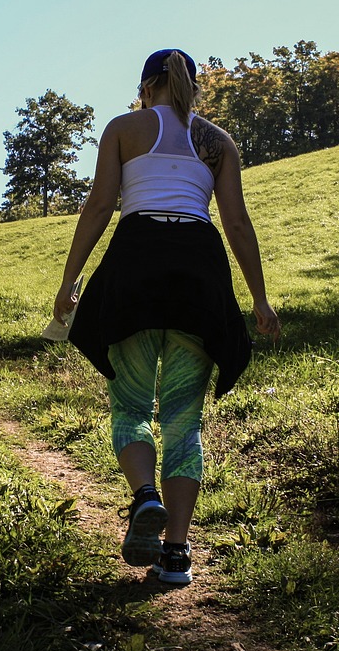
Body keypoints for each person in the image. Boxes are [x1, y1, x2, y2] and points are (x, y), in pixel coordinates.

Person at [54, 48, 280, 585]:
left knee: (131, 404)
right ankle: (176, 556)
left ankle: (144, 496)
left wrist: (70, 281)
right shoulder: (217, 142)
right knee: (184, 419)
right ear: (194, 89)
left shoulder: (124, 128)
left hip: (136, 264)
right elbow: (238, 223)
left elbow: (99, 204)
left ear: (145, 88)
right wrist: (260, 298)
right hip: (198, 274)